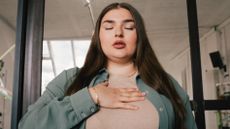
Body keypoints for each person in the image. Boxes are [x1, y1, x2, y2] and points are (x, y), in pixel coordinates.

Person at [19, 2, 197, 129]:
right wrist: (92, 96)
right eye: (109, 27)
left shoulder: (165, 83)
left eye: (128, 27)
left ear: (139, 36)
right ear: (98, 36)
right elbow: (27, 125)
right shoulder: (69, 80)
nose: (118, 33)